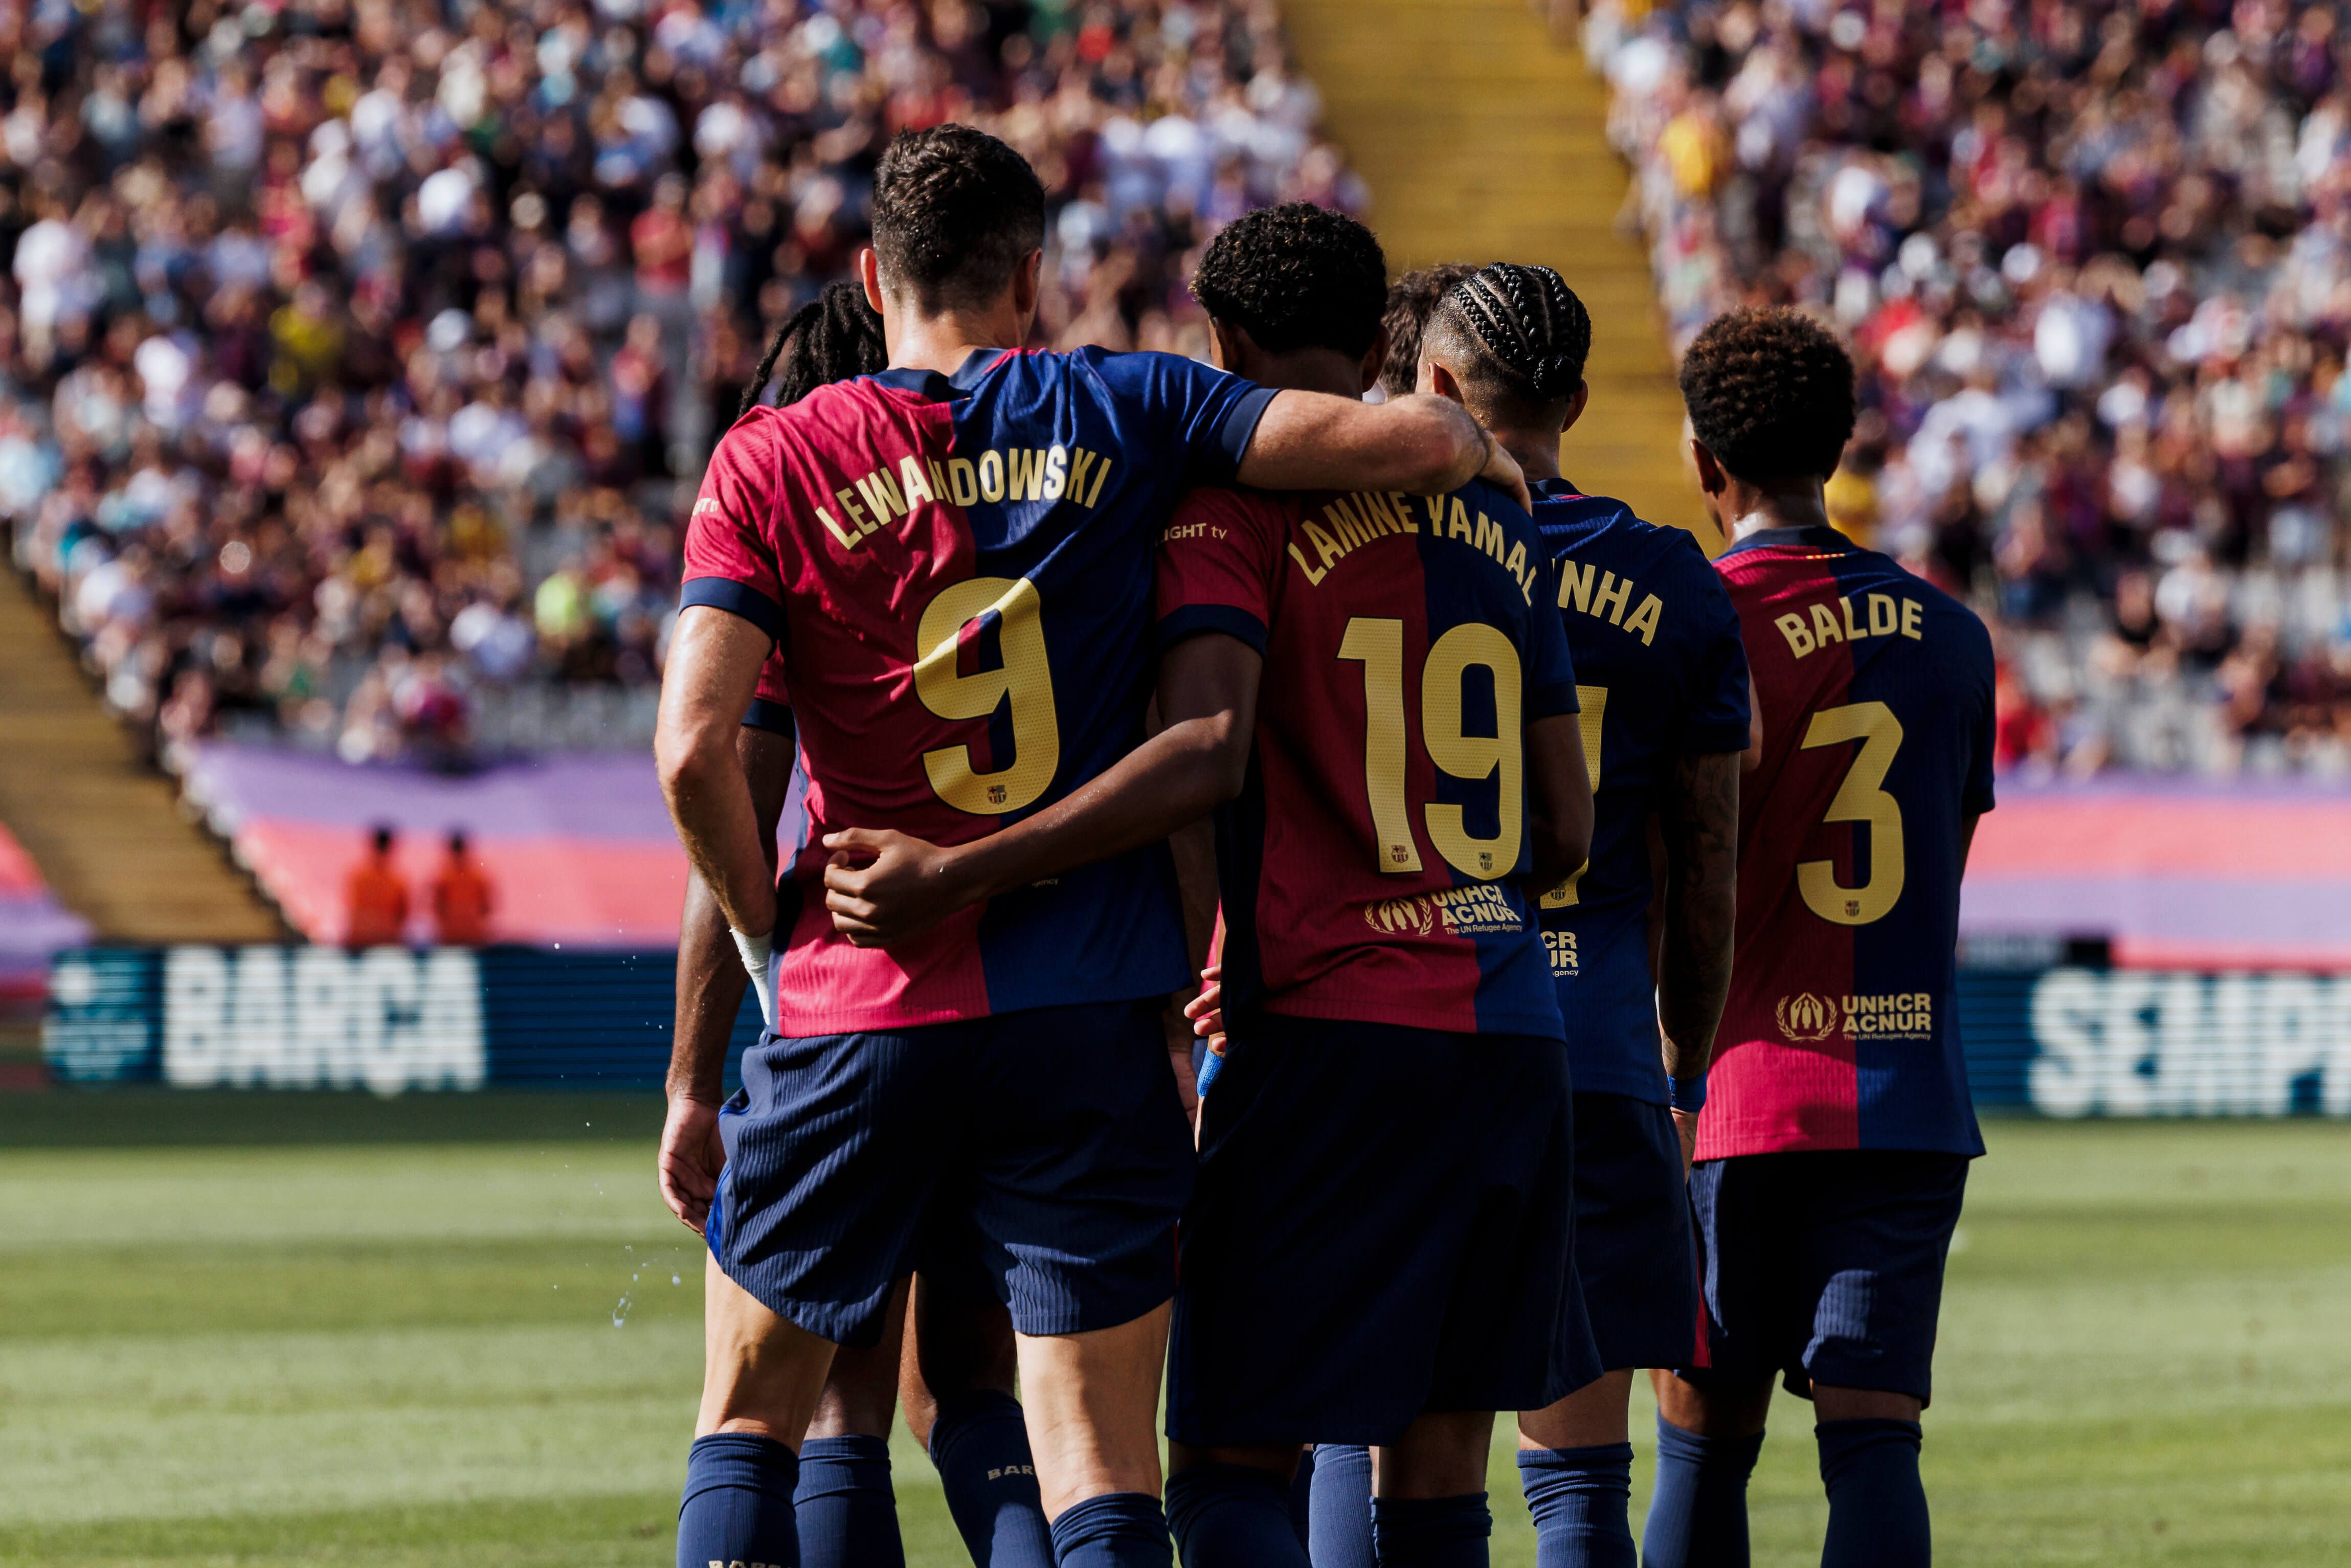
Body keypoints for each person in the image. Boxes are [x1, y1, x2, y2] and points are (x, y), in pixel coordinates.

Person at [656, 126, 1528, 1568]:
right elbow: (1416, 440)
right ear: (1030, 278)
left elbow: (695, 752)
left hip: (862, 1004)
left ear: (871, 278)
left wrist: (768, 937)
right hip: (1089, 1006)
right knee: (1095, 1452)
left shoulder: (771, 454)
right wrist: (1473, 444)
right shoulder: (1129, 403)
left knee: (758, 1415)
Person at [1305, 263, 1750, 1568]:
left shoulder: (1348, 545)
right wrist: (1684, 1064)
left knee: (1359, 1435)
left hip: (1384, 1019)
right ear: (1578, 401)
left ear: (1431, 383)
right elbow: (1705, 868)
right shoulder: (1670, 577)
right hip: (1589, 1053)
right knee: (1578, 1486)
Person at [664, 279, 1053, 1568]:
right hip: (1038, 1003)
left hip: (866, 1012)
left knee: (820, 1401)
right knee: (972, 1389)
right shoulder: (1035, 519)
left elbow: (726, 799)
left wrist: (693, 1081)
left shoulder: (800, 527)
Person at [1641, 307, 1995, 1568]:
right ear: (1839, 447)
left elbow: (1662, 869)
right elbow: (1944, 860)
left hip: (1728, 1098)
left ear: (1703, 460)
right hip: (1902, 1095)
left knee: (1698, 1443)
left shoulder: (1689, 621)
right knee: (1873, 1441)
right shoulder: (1954, 636)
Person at [344, 824, 408, 947]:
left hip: (360, 939)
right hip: (385, 940)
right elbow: (403, 916)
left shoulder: (358, 876)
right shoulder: (398, 880)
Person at [429, 830, 496, 947]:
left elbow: (436, 907)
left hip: (459, 936)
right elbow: (487, 907)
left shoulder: (443, 876)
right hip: (464, 935)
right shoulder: (477, 876)